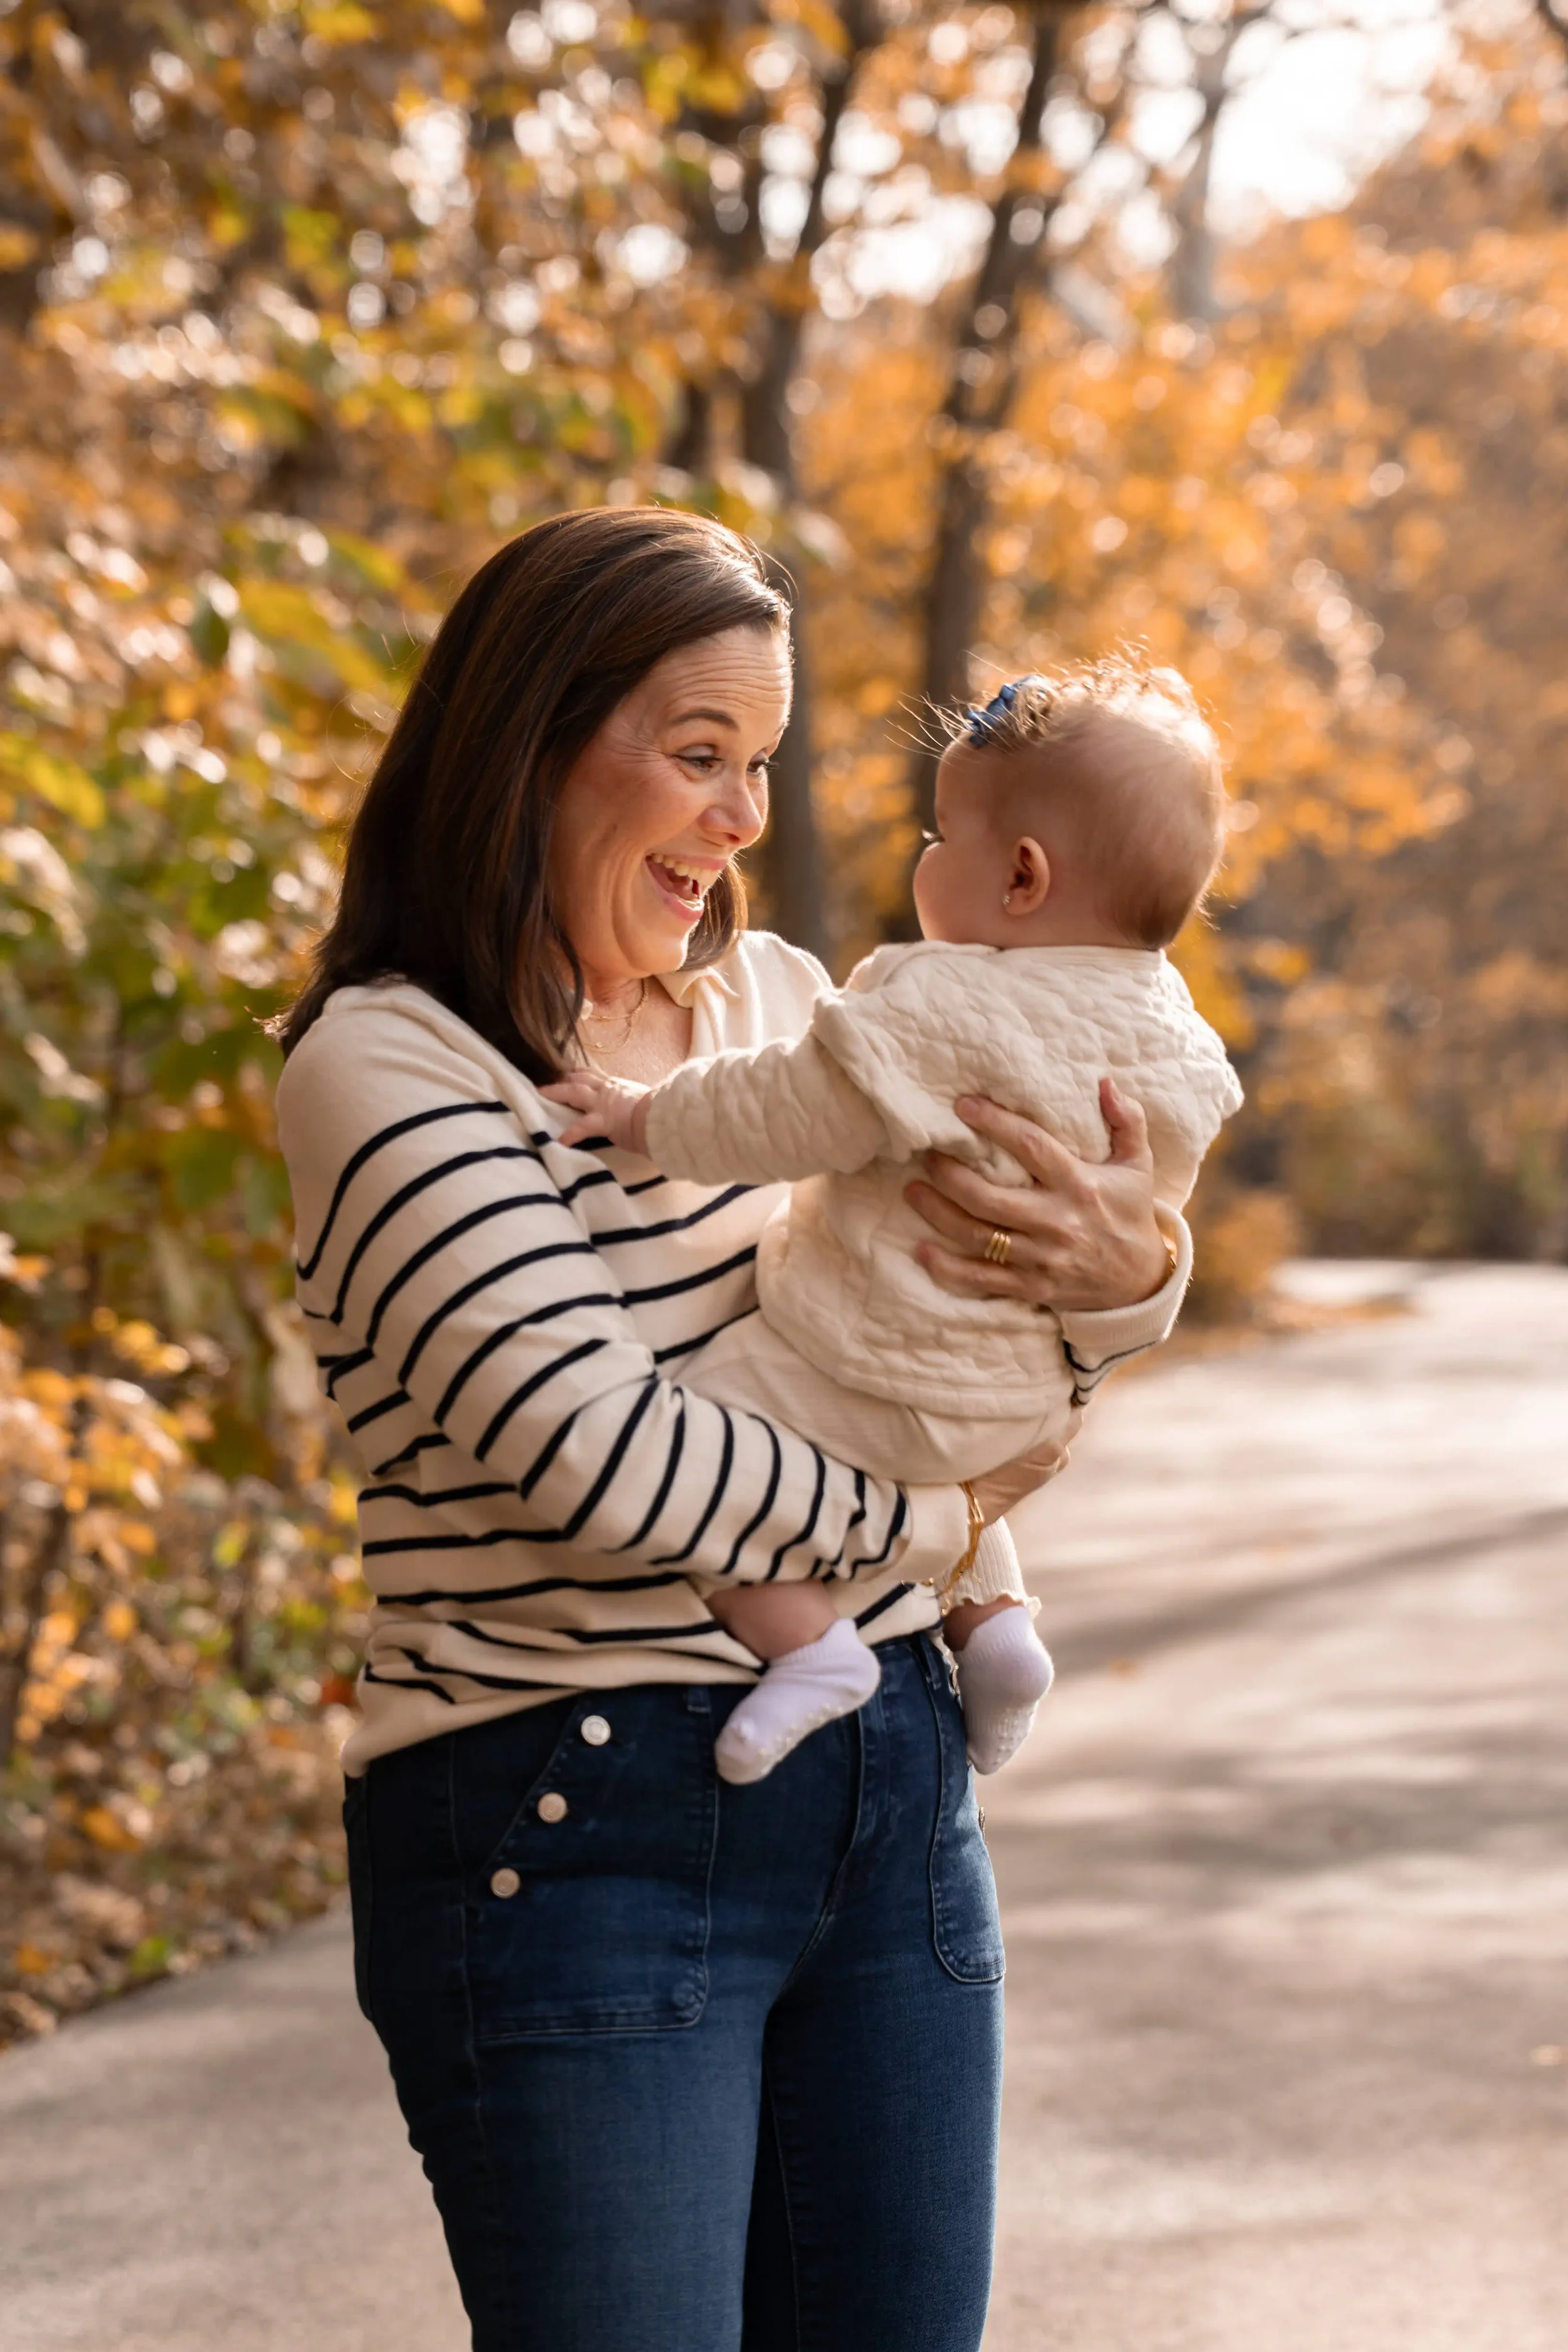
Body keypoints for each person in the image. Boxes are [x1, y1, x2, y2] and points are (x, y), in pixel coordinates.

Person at [273, 507, 1197, 2352]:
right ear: (529, 740)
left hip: (892, 1801)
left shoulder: (783, 1009)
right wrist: (951, 1527)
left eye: (759, 766)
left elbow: (988, 1316)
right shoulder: (394, 1062)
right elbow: (607, 1463)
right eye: (698, 756)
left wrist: (1130, 1278)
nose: (743, 819)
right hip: (572, 1824)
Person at [543, 657, 1242, 1785]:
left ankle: (810, 1649)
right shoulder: (1180, 1039)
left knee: (720, 1420)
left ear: (1022, 876)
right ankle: (1000, 1625)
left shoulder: (933, 1004)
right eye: (709, 758)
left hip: (872, 1357)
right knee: (937, 1427)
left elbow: (782, 1107)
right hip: (1014, 1404)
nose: (750, 809)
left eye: (939, 836)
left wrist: (643, 1116)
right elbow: (1144, 1203)